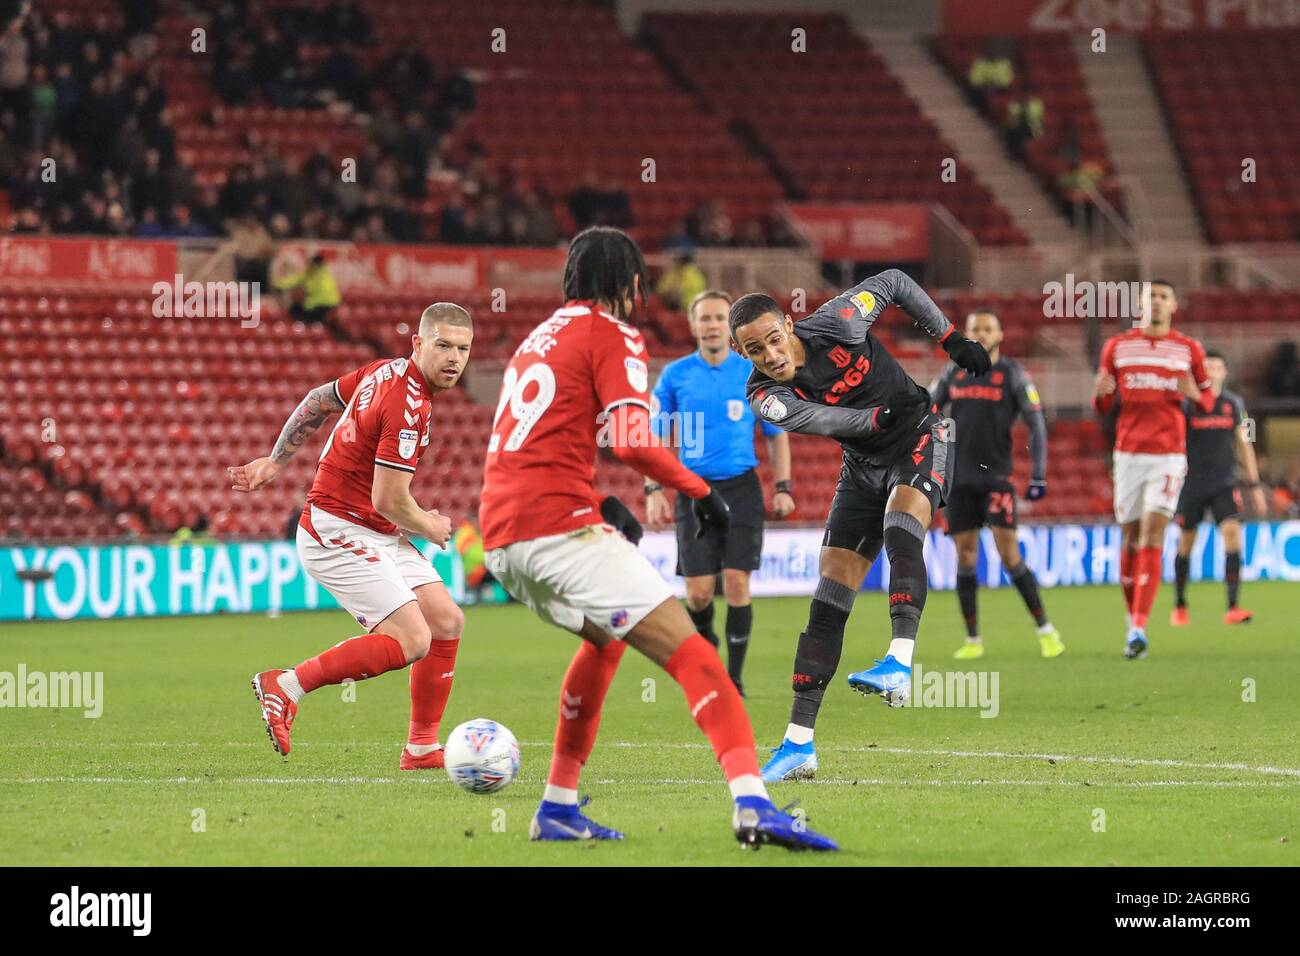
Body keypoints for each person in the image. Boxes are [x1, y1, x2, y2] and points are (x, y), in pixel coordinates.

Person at [478, 226, 835, 850]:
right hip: (557, 531)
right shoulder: (612, 333)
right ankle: (753, 803)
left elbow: (547, 443)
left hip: (504, 537)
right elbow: (629, 438)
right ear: (632, 283)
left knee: (604, 642)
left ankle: (558, 806)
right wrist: (701, 493)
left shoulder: (536, 339)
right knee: (697, 656)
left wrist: (600, 501)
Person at [731, 270, 991, 782]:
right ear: (745, 355)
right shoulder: (763, 394)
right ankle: (798, 744)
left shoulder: (839, 321)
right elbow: (822, 421)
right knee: (829, 593)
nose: (771, 356)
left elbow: (894, 281)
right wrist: (873, 421)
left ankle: (898, 660)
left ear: (788, 324)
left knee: (900, 523)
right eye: (756, 350)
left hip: (921, 433)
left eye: (774, 340)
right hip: (863, 461)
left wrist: (950, 337)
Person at [228, 303, 474, 770]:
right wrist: (431, 524)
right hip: (336, 527)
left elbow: (319, 399)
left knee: (446, 621)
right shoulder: (408, 403)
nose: (453, 358)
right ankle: (288, 684)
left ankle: (421, 748)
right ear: (418, 344)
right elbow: (389, 500)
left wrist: (275, 461)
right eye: (443, 345)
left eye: (463, 349)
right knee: (412, 639)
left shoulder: (386, 371)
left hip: (371, 527)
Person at [647, 289, 795, 695]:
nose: (712, 325)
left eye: (719, 318)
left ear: (728, 328)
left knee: (736, 583)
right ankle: (708, 649)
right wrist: (652, 488)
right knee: (696, 594)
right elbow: (655, 433)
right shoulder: (675, 376)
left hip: (741, 488)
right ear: (693, 325)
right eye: (705, 318)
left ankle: (733, 678)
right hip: (692, 490)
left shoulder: (751, 372)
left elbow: (775, 434)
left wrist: (782, 487)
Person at [931, 309, 1063, 659]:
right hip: (958, 481)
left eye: (988, 328)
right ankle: (973, 639)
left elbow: (1036, 424)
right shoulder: (954, 372)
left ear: (1000, 334)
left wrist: (1038, 473)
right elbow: (927, 410)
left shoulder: (1011, 373)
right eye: (976, 329)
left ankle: (1045, 629)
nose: (982, 334)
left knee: (1009, 555)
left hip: (996, 479)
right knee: (966, 557)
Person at [1092, 280, 1214, 659]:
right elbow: (1104, 405)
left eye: (1164, 296)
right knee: (1129, 539)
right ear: (1140, 305)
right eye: (1151, 298)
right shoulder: (1117, 346)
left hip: (1168, 455)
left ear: (1174, 304)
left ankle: (1140, 626)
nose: (1157, 303)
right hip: (1128, 453)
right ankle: (1134, 624)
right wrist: (1100, 393)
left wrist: (1195, 395)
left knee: (1151, 534)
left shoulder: (1189, 348)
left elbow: (1208, 399)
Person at [1171, 350, 1268, 626]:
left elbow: (1244, 444)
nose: (1212, 371)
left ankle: (1233, 607)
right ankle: (1179, 604)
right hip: (1193, 483)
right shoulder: (1188, 405)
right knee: (1186, 542)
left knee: (1232, 536)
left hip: (1225, 483)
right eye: (1208, 367)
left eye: (1217, 367)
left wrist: (1254, 484)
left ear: (1225, 372)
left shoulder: (1233, 404)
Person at [275, 252, 341, 325]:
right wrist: (280, 284)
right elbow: (297, 279)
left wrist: (280, 285)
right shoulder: (323, 274)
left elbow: (308, 287)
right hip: (324, 306)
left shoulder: (318, 276)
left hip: (321, 307)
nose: (308, 266)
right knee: (295, 309)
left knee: (294, 310)